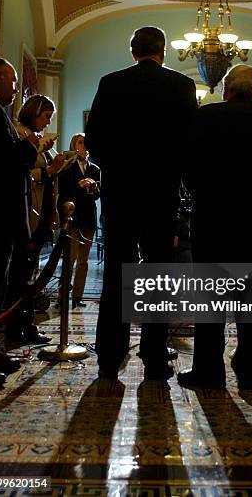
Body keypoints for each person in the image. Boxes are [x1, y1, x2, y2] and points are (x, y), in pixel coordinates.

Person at [85, 26, 197, 380]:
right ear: (162, 51)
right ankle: (152, 353)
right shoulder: (180, 85)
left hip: (120, 192)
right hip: (161, 193)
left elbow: (94, 141)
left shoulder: (111, 82)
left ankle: (109, 355)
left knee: (117, 270)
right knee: (158, 273)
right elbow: (189, 142)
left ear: (133, 51)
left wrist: (117, 170)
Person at [177, 64, 252, 390]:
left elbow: (189, 166)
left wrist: (199, 192)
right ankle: (248, 368)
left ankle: (209, 370)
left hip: (214, 219)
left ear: (225, 88)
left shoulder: (207, 117)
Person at [0, 57, 38, 388]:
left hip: (2, 214)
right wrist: (28, 147)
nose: (17, 88)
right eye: (14, 81)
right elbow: (1, 162)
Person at [6, 95, 64, 344]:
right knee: (19, 274)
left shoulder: (37, 138)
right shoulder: (20, 135)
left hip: (42, 211)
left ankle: (26, 324)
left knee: (30, 273)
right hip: (28, 210)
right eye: (45, 116)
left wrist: (57, 165)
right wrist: (47, 171)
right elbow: (17, 171)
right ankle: (14, 328)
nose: (47, 122)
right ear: (33, 113)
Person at [57, 133, 100, 308]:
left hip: (88, 218)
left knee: (83, 261)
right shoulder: (67, 168)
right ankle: (62, 295)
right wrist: (79, 185)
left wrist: (94, 188)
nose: (84, 146)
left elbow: (98, 196)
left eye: (86, 142)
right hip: (73, 218)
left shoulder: (95, 169)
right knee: (70, 259)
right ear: (74, 145)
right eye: (81, 142)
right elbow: (63, 191)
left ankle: (78, 296)